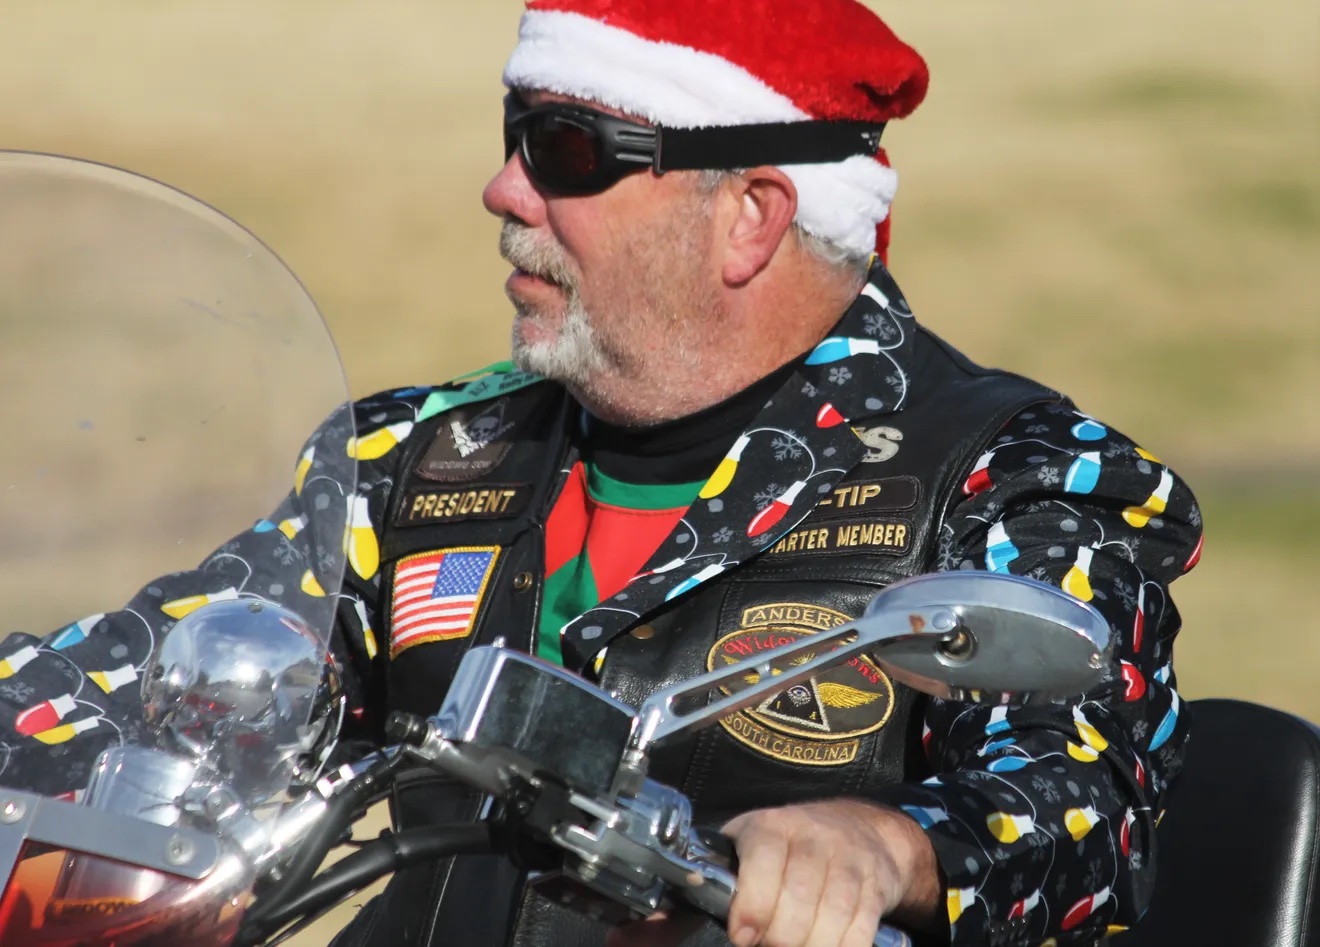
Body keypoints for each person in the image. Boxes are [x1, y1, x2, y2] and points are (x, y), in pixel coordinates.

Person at [0, 1, 1204, 945]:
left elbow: (1075, 794)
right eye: (511, 136)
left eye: (565, 149)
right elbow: (139, 677)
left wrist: (880, 845)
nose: (504, 188)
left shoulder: (1010, 475)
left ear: (750, 213)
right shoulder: (410, 461)